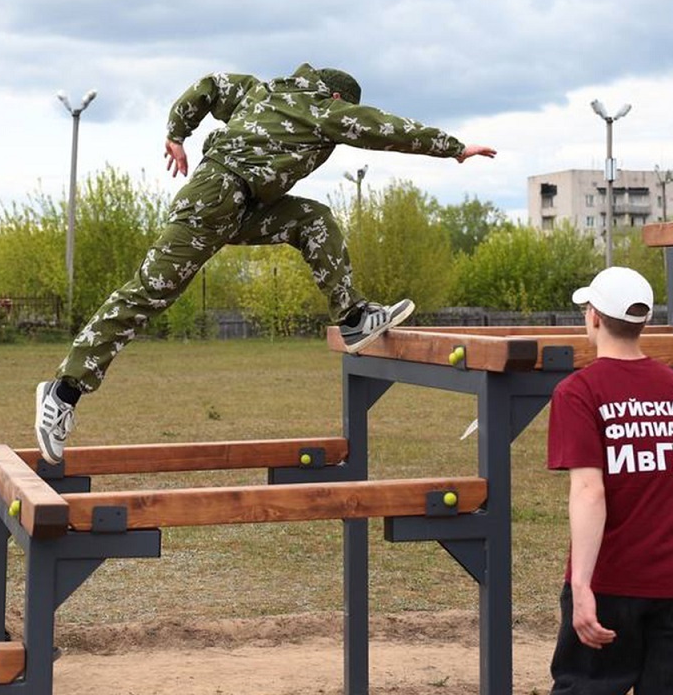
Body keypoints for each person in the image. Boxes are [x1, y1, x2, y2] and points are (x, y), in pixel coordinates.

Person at [35, 63, 496, 463]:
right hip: (216, 199)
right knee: (148, 293)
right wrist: (452, 146)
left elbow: (209, 86)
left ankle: (354, 316)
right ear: (337, 98)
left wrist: (178, 133)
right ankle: (63, 391)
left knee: (312, 220)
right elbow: (380, 127)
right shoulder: (323, 107)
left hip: (242, 207)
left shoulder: (259, 90)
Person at [545, 266, 673, 695]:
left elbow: (589, 491)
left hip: (612, 582)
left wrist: (582, 586)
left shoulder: (578, 391)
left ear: (595, 318)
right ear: (641, 322)